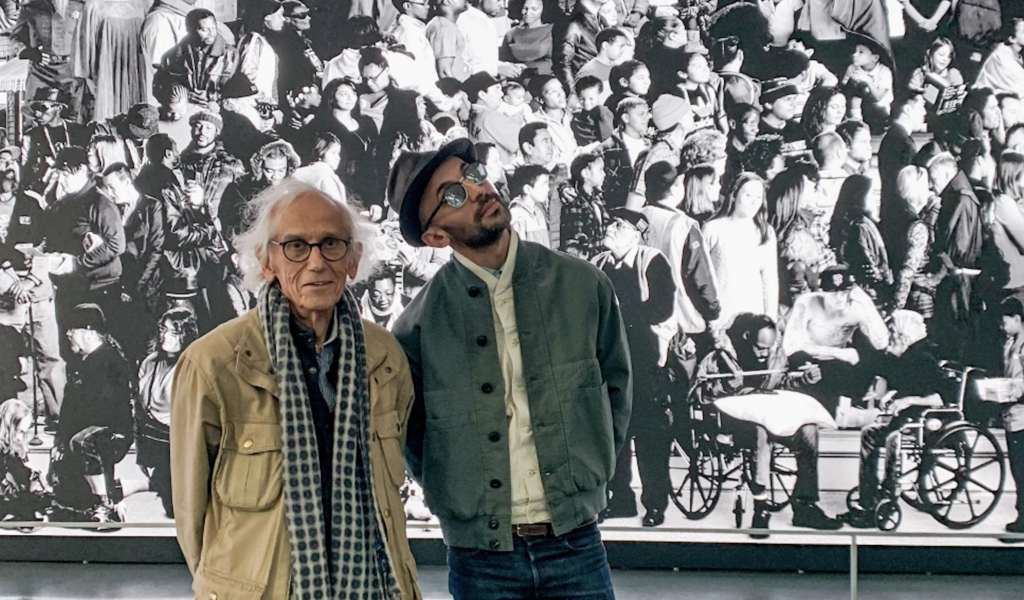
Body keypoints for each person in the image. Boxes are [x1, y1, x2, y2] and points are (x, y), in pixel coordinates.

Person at [388, 138, 630, 599]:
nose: (478, 190)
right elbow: (416, 439)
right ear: (436, 236)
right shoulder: (416, 327)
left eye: (474, 174)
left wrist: (589, 477)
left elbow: (614, 391)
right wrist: (462, 501)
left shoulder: (584, 286)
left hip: (576, 544)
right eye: (453, 195)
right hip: (480, 559)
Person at [171, 180, 421, 599]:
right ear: (266, 260)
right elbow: (191, 516)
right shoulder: (212, 364)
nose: (317, 262)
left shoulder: (385, 356)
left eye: (331, 244)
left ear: (354, 259)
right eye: (296, 247)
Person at [694, 313, 842, 535]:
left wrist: (803, 379)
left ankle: (804, 506)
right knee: (758, 431)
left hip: (773, 417)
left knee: (809, 430)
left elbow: (781, 381)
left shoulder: (775, 354)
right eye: (760, 348)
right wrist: (723, 387)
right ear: (746, 337)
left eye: (769, 348)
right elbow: (696, 395)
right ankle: (761, 506)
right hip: (735, 425)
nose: (765, 354)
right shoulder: (719, 357)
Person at [592, 207, 675, 527]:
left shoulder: (651, 260)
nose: (609, 227)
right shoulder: (599, 264)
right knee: (613, 431)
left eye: (618, 224)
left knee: (649, 432)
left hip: (644, 359)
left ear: (636, 234)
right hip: (607, 358)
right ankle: (621, 498)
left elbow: (662, 308)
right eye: (610, 222)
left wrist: (617, 315)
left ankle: (655, 502)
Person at [842, 309, 949, 528]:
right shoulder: (901, 359)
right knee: (869, 433)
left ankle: (888, 495)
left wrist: (908, 401)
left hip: (926, 422)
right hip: (906, 420)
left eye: (892, 330)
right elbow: (903, 387)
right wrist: (893, 396)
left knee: (892, 438)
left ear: (904, 335)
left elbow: (940, 398)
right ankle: (868, 499)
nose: (889, 334)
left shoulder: (923, 359)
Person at [50, 303, 133, 523]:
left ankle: (106, 503)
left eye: (73, 329)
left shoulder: (109, 361)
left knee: (83, 441)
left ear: (88, 332)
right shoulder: (80, 361)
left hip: (107, 434)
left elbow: (101, 413)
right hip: (83, 432)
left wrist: (69, 438)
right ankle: (104, 490)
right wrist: (59, 440)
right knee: (63, 496)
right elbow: (70, 407)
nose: (68, 333)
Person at [782, 265, 890, 417]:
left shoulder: (857, 307)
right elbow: (790, 345)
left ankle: (848, 408)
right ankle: (838, 411)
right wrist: (838, 353)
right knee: (803, 360)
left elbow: (882, 343)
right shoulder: (807, 302)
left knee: (871, 355)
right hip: (809, 363)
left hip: (838, 367)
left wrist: (867, 303)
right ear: (822, 292)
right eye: (833, 292)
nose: (840, 298)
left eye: (844, 292)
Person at [135, 307, 197, 518]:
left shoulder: (192, 367)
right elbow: (140, 409)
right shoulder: (149, 362)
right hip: (152, 438)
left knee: (176, 510)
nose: (165, 336)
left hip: (179, 442)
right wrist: (141, 453)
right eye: (163, 329)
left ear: (185, 334)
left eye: (173, 331)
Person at [703, 172, 779, 330]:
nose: (753, 202)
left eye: (758, 197)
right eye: (748, 195)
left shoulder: (765, 232)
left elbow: (770, 280)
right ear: (734, 195)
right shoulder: (713, 228)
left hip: (753, 318)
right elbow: (701, 276)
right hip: (719, 318)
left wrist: (770, 319)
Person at [829, 174, 892, 304]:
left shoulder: (847, 221)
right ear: (859, 197)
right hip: (868, 293)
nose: (875, 199)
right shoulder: (860, 227)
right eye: (871, 195)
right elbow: (869, 265)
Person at [998, 296, 1024, 535]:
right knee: (1018, 469)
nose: (1002, 325)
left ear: (1017, 319)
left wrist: (1010, 391)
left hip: (1022, 415)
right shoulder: (1011, 343)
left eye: (1005, 321)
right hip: (1012, 416)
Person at [499, 0, 555, 79]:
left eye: (534, 9)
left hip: (546, 82)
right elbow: (504, 63)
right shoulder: (511, 34)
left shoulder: (553, 30)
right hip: (516, 85)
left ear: (544, 8)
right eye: (525, 8)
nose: (528, 13)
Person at [508, 163, 551, 246]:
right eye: (544, 184)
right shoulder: (517, 215)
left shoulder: (538, 212)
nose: (548, 189)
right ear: (527, 189)